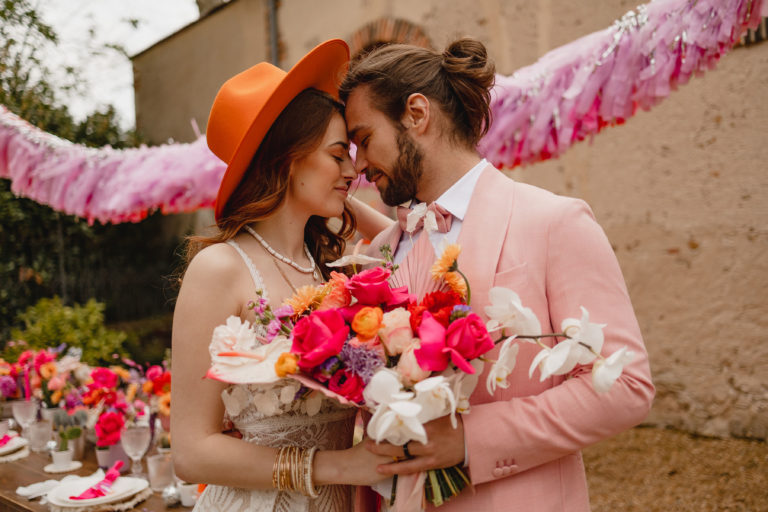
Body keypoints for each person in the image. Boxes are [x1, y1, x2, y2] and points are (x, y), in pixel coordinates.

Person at [340, 37, 655, 511]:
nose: (360, 165)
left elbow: (627, 386)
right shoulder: (381, 251)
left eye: (364, 139)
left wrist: (470, 440)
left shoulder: (553, 221)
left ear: (416, 114)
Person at [171, 39, 392, 512]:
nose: (354, 170)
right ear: (288, 158)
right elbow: (190, 452)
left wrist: (330, 187)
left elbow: (408, 246)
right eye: (338, 155)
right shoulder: (220, 270)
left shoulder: (333, 270)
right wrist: (337, 467)